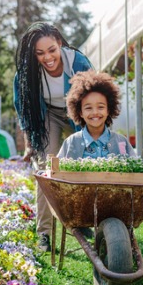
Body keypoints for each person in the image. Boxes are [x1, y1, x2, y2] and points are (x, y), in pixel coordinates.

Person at [13, 22, 92, 252]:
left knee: (85, 161)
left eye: (51, 50)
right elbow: (23, 109)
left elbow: (94, 96)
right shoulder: (27, 75)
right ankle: (44, 234)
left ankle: (81, 221)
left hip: (76, 112)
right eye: (40, 53)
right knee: (47, 169)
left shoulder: (77, 62)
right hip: (46, 115)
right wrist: (29, 142)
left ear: (59, 44)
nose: (47, 57)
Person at [58, 70, 136, 160]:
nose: (95, 112)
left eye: (100, 107)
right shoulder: (71, 142)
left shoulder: (121, 142)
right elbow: (56, 170)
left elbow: (135, 169)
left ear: (108, 109)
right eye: (88, 108)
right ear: (80, 112)